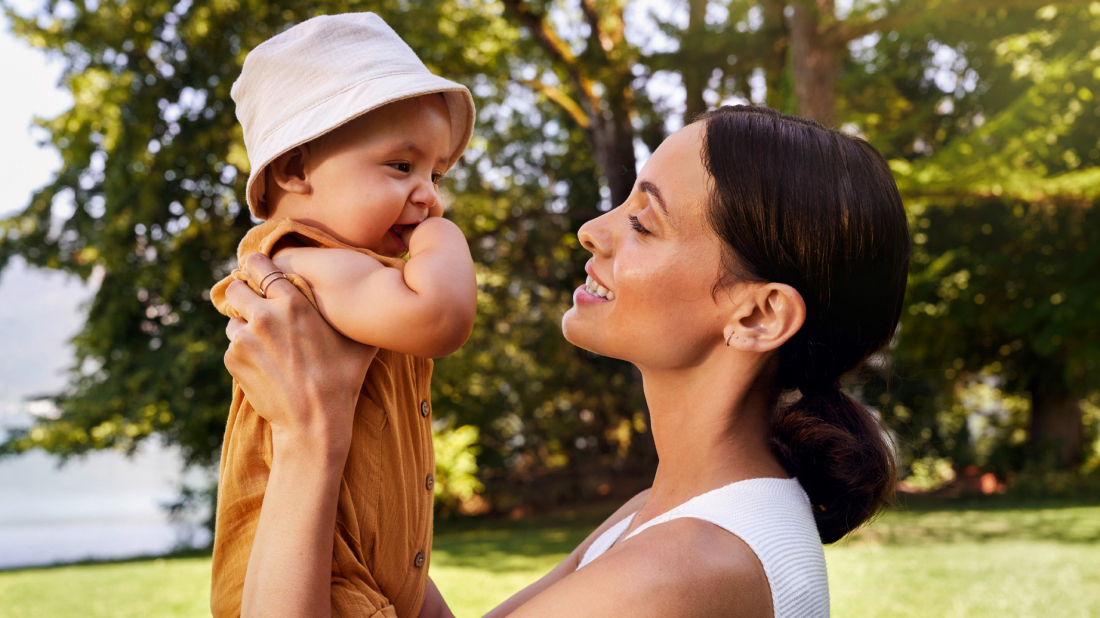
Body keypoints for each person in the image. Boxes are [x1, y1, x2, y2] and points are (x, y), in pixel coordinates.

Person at [222, 105, 911, 618]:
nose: (592, 229)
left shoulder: (682, 570)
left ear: (758, 316)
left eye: (644, 222)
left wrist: (309, 438)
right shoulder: (668, 515)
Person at [207, 13, 477, 618]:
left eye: (435, 174)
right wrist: (445, 238)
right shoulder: (303, 263)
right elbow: (442, 317)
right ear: (295, 170)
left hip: (368, 566)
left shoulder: (357, 274)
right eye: (402, 166)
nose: (430, 196)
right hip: (319, 581)